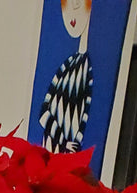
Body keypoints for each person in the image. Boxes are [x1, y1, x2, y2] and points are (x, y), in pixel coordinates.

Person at [38, 0, 94, 154]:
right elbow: (44, 112)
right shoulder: (67, 65)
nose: (73, 7)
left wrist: (73, 145)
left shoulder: (86, 70)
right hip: (51, 153)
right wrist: (63, 142)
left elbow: (84, 115)